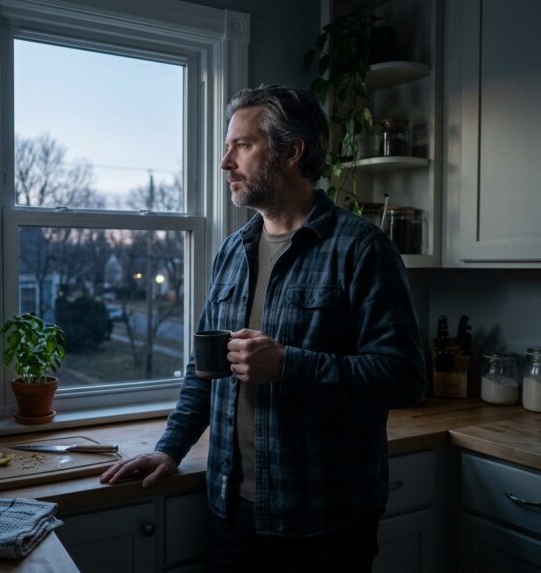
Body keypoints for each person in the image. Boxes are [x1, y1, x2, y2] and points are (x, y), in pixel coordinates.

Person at [100, 86, 426, 572]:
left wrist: (289, 365)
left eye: (242, 146)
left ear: (291, 152)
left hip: (326, 521)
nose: (225, 162)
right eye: (227, 147)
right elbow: (203, 370)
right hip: (231, 513)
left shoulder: (362, 249)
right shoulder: (233, 250)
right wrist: (170, 448)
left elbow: (405, 377)